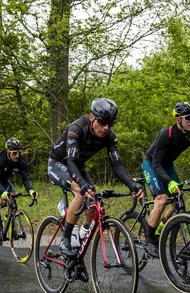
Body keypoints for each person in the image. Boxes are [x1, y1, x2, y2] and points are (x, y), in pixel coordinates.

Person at [47, 98, 143, 281]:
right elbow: (71, 161)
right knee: (79, 191)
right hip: (58, 164)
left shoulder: (109, 136)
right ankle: (66, 239)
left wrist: (132, 185)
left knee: (93, 205)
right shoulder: (77, 129)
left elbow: (117, 166)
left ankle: (77, 253)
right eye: (102, 122)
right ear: (91, 117)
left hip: (78, 165)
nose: (106, 127)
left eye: (111, 123)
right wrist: (82, 185)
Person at [141, 101, 190, 257]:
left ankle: (160, 231)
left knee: (178, 200)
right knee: (161, 199)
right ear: (178, 119)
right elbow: (156, 164)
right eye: (188, 117)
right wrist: (169, 182)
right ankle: (148, 240)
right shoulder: (166, 134)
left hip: (167, 166)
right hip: (152, 165)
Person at [0, 137, 38, 241]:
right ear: (8, 152)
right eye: (14, 153)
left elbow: (26, 178)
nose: (17, 155)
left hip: (4, 181)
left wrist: (31, 190)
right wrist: (3, 192)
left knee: (12, 199)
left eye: (19, 152)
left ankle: (6, 221)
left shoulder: (21, 162)